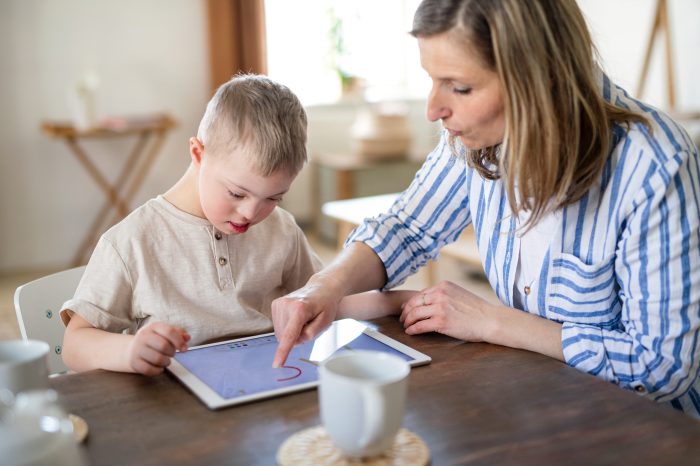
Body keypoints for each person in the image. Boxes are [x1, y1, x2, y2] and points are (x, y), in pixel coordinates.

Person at [272, 0, 700, 417]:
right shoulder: (478, 136)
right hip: (542, 399)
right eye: (432, 79)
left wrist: (495, 322)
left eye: (459, 87)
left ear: (538, 78)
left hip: (648, 428)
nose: (433, 109)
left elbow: (661, 367)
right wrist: (324, 287)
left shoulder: (654, 164)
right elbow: (407, 227)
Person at [61, 74, 412, 376]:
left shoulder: (282, 228)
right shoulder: (131, 242)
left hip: (273, 385)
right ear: (198, 154)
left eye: (274, 197)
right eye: (236, 192)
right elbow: (74, 345)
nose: (251, 213)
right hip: (179, 405)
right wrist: (130, 352)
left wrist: (399, 302)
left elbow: (323, 306)